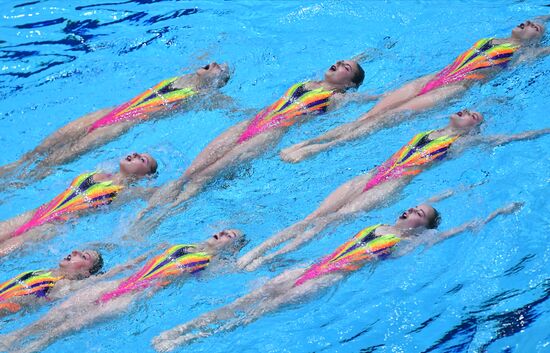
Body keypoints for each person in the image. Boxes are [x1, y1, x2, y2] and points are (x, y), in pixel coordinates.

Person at [151, 202, 522, 352]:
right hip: (308, 269)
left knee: (256, 313)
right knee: (243, 301)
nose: (412, 210)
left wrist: (489, 216)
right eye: (414, 206)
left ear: (423, 226)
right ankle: (181, 329)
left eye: (420, 213)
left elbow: (449, 233)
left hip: (323, 281)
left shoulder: (406, 243)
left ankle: (196, 338)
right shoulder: (379, 224)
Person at [238, 110, 550, 270]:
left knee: (328, 222)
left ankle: (274, 256)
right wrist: (450, 193)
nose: (466, 112)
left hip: (389, 186)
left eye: (474, 116)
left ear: (474, 129)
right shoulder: (431, 130)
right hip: (370, 176)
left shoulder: (462, 143)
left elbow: (510, 138)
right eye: (468, 110)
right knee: (314, 215)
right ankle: (258, 250)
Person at [131, 59, 372, 236]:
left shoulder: (338, 98)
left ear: (349, 83)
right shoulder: (311, 82)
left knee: (203, 178)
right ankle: (141, 216)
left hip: (268, 135)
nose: (339, 63)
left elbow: (365, 101)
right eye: (340, 61)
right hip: (249, 124)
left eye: (346, 68)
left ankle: (161, 218)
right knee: (190, 173)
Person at [281, 19, 550, 163]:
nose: (527, 24)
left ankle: (318, 149)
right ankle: (305, 143)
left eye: (534, 28)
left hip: (448, 90)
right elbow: (539, 17)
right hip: (430, 79)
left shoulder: (522, 55)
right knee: (369, 115)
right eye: (527, 22)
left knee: (381, 121)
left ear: (536, 41)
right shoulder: (495, 40)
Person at [0, 230, 245, 353]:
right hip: (118, 285)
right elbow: (134, 264)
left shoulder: (212, 263)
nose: (221, 234)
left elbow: (227, 273)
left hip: (136, 295)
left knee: (69, 327)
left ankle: (29, 348)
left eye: (229, 235)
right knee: (52, 317)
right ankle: (12, 339)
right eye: (223, 230)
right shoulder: (180, 246)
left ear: (232, 248)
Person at [0, 62, 229, 185]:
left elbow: (227, 106)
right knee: (41, 148)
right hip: (108, 112)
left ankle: (19, 184)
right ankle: (8, 171)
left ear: (216, 81)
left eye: (219, 69)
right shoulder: (181, 78)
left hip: (121, 124)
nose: (214, 63)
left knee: (59, 157)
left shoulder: (199, 96)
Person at [0, 152, 158, 256]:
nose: (136, 154)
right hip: (37, 212)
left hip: (54, 225)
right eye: (138, 153)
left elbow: (158, 195)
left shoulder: (125, 192)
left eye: (143, 160)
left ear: (145, 177)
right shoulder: (101, 171)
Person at [0, 249, 103, 316]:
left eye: (84, 256)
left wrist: (114, 271)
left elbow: (92, 281)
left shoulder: (63, 284)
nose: (75, 251)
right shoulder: (47, 272)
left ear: (86, 273)